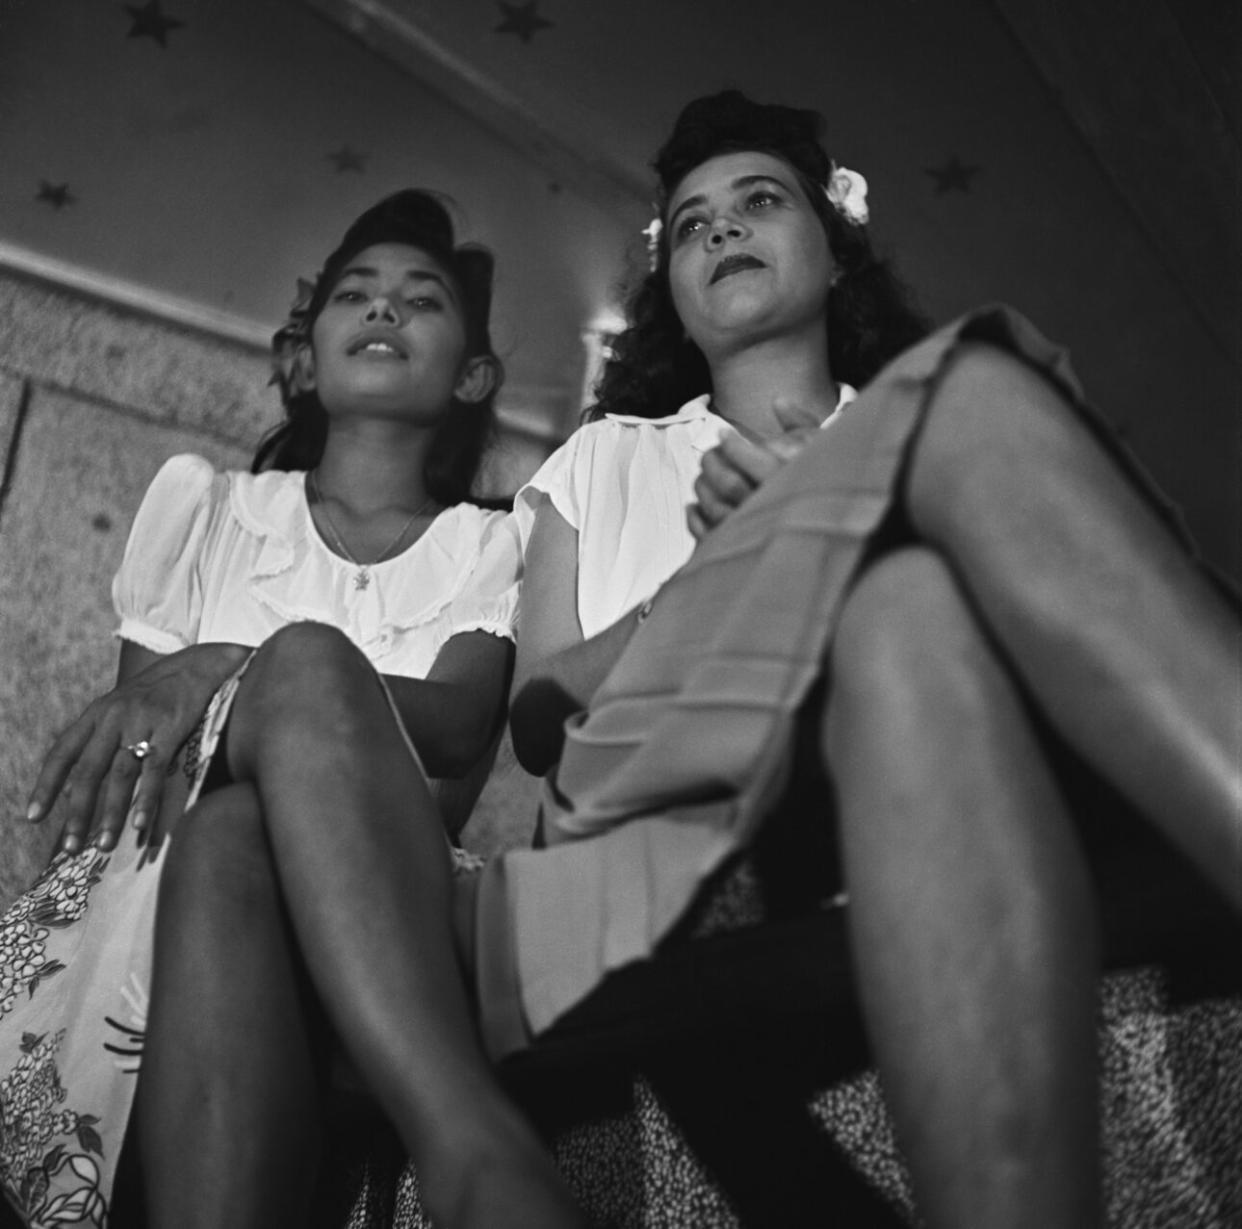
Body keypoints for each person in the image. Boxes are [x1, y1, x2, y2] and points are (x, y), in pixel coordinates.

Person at [486, 90, 1241, 1227]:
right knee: (977, 385)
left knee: (907, 605)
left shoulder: (889, 418)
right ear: (674, 304)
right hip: (656, 793)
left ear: (836, 257)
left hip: (874, 747)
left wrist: (826, 509)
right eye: (693, 225)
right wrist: (722, 568)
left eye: (758, 203)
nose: (724, 230)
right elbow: (538, 714)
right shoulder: (609, 454)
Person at [1, 190, 584, 1229]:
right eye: (356, 293)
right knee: (228, 823)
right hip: (162, 879)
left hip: (379, 916)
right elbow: (144, 753)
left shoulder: (494, 545)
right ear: (303, 356)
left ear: (474, 374)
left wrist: (239, 660)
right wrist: (248, 675)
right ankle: (476, 1151)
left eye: (422, 300)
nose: (385, 309)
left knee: (303, 671)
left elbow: (452, 729)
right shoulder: (210, 506)